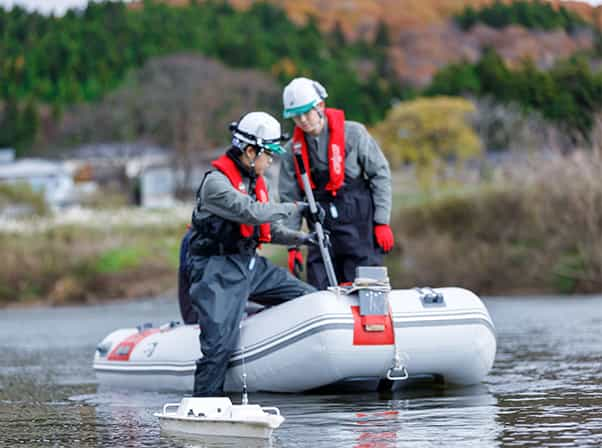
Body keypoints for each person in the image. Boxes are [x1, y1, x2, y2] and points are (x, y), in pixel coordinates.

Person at [186, 111, 318, 397]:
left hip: (250, 264)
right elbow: (252, 212)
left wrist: (305, 239)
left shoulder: (257, 182)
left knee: (310, 299)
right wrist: (296, 207)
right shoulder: (216, 185)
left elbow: (269, 228)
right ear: (249, 151)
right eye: (268, 154)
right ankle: (205, 404)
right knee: (218, 345)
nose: (270, 161)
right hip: (216, 268)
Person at [279, 77, 394, 289]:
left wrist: (382, 222)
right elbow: (290, 200)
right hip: (322, 236)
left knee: (368, 293)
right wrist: (292, 244)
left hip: (361, 232)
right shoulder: (291, 153)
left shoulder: (354, 134)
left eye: (307, 112)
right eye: (296, 117)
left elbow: (380, 175)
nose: (303, 120)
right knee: (321, 293)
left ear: (320, 106)